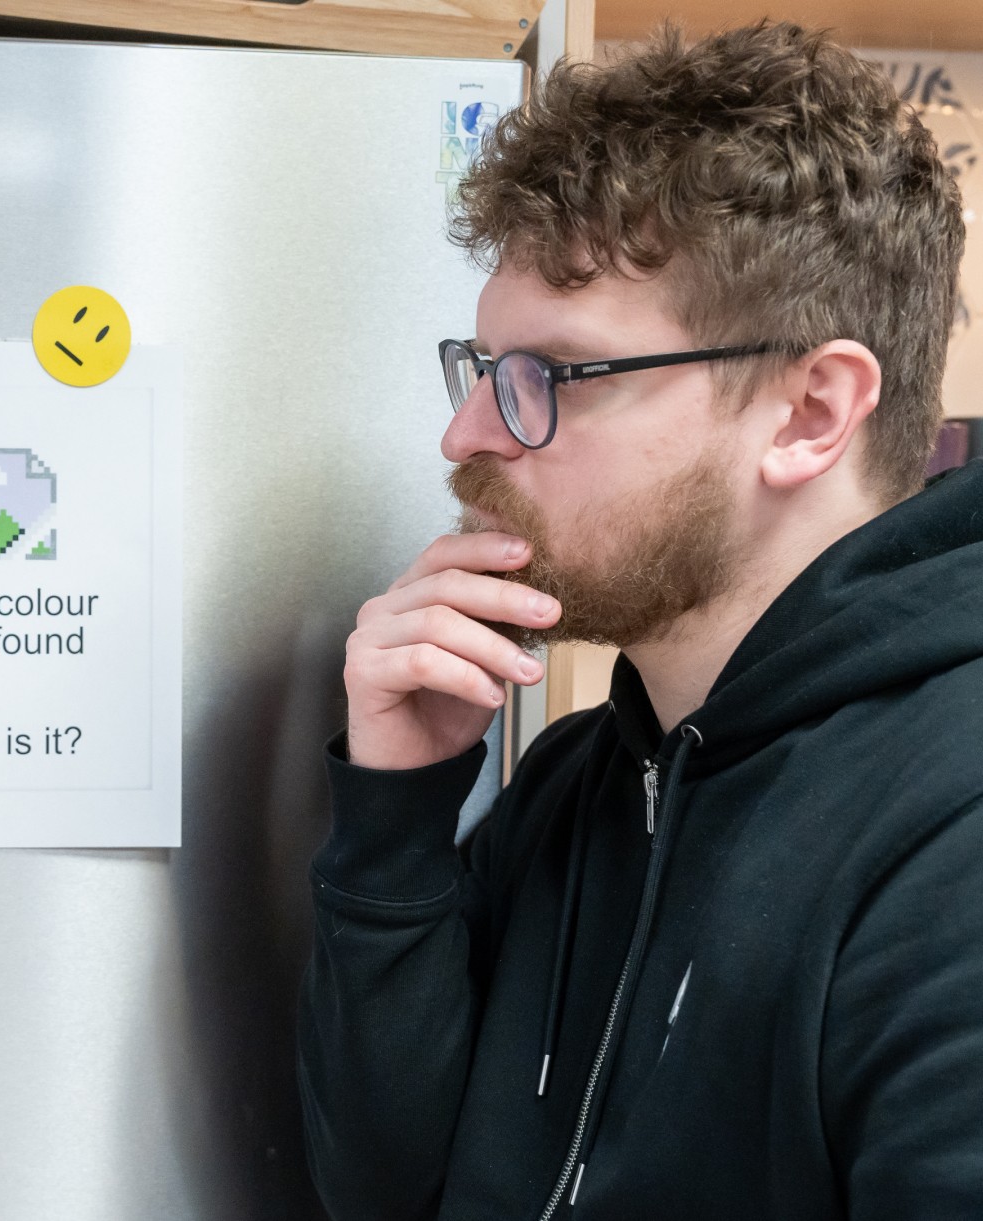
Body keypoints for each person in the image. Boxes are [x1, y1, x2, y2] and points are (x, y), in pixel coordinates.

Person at [299, 23, 980, 1221]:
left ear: (808, 412)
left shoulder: (950, 832)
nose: (464, 439)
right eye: (481, 368)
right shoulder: (581, 779)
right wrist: (396, 822)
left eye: (549, 379)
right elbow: (384, 1192)